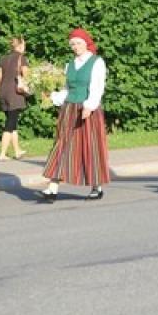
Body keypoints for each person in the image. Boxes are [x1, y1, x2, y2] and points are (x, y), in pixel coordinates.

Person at [38, 28, 110, 203]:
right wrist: (52, 97)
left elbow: (97, 86)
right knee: (61, 146)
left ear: (86, 44)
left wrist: (89, 106)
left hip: (88, 110)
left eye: (78, 43)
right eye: (73, 44)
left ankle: (96, 187)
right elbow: (66, 90)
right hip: (69, 109)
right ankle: (52, 188)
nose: (75, 47)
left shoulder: (96, 62)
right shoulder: (69, 65)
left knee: (90, 147)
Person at [0, 36, 30, 161]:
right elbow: (27, 77)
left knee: (13, 122)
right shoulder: (21, 58)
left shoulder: (3, 59)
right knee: (10, 124)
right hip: (15, 94)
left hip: (3, 93)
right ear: (21, 46)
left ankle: (17, 151)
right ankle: (2, 154)